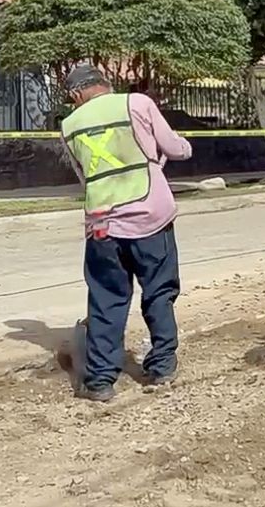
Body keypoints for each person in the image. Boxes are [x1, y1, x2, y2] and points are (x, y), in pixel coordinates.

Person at [59, 65, 192, 402]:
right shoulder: (137, 104)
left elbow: (83, 174)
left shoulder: (69, 125)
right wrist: (182, 148)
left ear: (76, 95)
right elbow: (174, 149)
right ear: (106, 84)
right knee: (159, 291)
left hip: (102, 225)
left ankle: (101, 381)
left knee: (106, 300)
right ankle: (162, 366)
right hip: (150, 218)